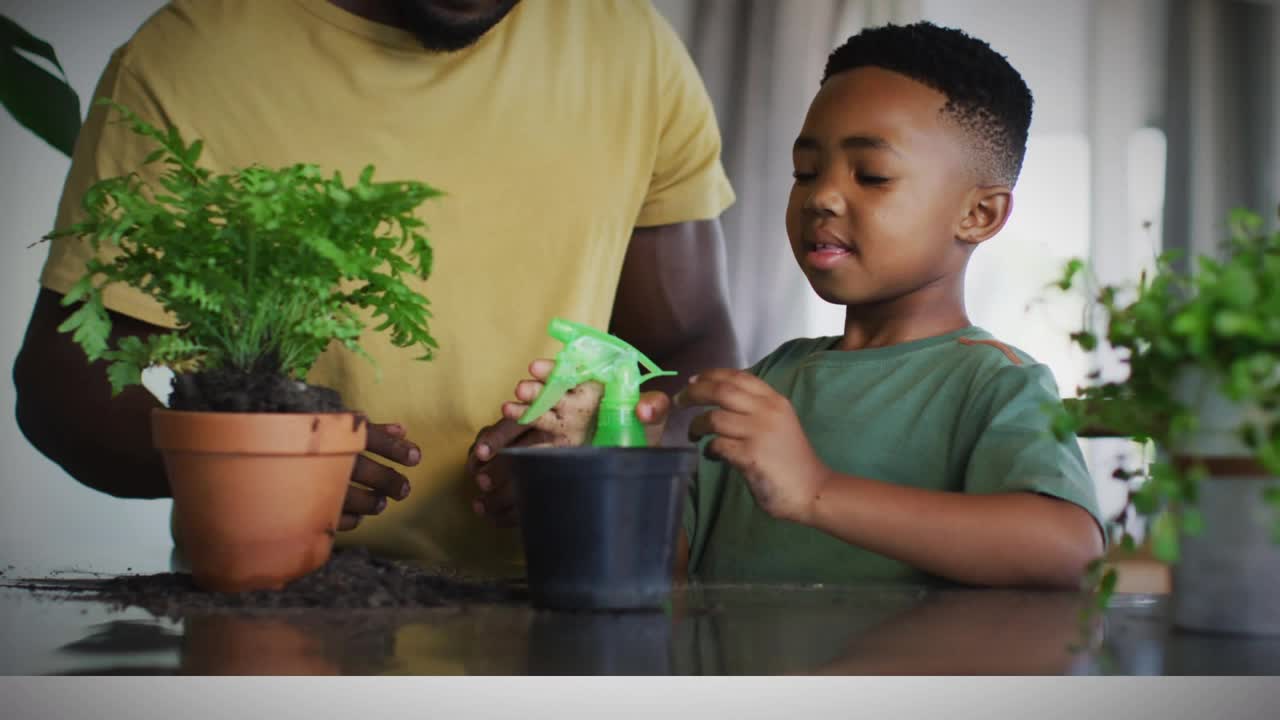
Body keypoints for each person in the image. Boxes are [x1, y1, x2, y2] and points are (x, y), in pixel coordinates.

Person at [13, 0, 742, 577]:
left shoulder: (630, 48)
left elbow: (692, 348)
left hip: (561, 600)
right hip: (272, 613)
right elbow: (60, 384)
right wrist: (251, 460)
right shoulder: (187, 56)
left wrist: (610, 449)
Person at [495, 21, 1105, 589]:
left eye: (870, 175)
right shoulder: (765, 384)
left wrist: (817, 491)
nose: (823, 197)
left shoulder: (995, 382)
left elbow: (1069, 548)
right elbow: (672, 569)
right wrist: (609, 463)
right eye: (806, 171)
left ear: (979, 214)